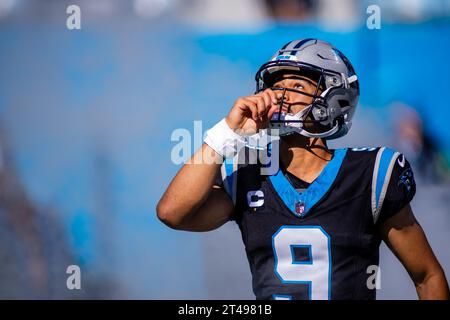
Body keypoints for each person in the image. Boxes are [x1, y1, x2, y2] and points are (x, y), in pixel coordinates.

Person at [157, 39, 449, 300]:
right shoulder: (249, 175)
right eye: (277, 86)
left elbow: (427, 276)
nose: (281, 95)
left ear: (335, 100)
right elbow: (173, 212)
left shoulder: (371, 173)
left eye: (297, 87)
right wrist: (227, 132)